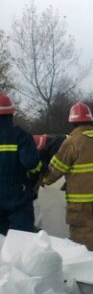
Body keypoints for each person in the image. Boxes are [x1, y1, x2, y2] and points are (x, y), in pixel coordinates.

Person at [41, 102, 93, 255]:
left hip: (80, 199)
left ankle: (89, 272)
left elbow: (56, 169)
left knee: (83, 233)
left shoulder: (72, 142)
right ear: (91, 121)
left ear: (72, 122)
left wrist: (43, 180)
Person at [0, 92, 42, 235]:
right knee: (22, 240)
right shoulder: (21, 136)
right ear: (11, 113)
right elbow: (32, 164)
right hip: (18, 195)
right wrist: (35, 181)